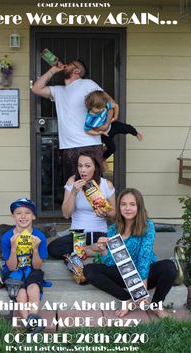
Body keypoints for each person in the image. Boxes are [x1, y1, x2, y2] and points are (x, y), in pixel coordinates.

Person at [83, 188, 177, 318]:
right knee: (89, 270)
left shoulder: (147, 226)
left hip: (145, 273)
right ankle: (127, 300)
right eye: (123, 204)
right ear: (119, 207)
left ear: (139, 206)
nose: (128, 208)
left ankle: (156, 306)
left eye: (132, 204)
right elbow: (111, 262)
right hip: (124, 274)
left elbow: (144, 256)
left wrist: (141, 290)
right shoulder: (113, 229)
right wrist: (104, 250)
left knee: (169, 267)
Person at [32, 58, 116, 182]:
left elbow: (111, 103)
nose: (65, 65)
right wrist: (53, 70)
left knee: (93, 189)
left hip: (89, 145)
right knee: (73, 186)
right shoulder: (58, 91)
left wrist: (106, 124)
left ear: (77, 70)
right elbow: (36, 89)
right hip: (69, 147)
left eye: (70, 64)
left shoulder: (87, 84)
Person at [47, 150, 116, 259]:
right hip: (78, 233)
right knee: (53, 248)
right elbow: (66, 214)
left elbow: (115, 214)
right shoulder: (72, 181)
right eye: (80, 166)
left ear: (95, 167)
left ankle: (82, 250)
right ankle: (91, 251)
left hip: (100, 232)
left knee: (119, 247)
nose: (83, 170)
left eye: (87, 166)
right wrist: (74, 192)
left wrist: (105, 212)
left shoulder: (106, 184)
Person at [1, 198, 48, 333]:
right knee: (20, 292)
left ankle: (31, 323)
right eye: (18, 213)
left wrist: (35, 249)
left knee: (33, 288)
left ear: (33, 216)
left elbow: (38, 266)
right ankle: (32, 324)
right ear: (13, 216)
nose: (23, 216)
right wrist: (14, 248)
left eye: (27, 213)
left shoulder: (39, 236)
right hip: (14, 271)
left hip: (32, 269)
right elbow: (10, 267)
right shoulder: (7, 237)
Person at [84, 90, 143, 169]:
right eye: (98, 109)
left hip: (112, 126)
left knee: (127, 128)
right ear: (91, 106)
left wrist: (115, 117)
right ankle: (103, 159)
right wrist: (98, 133)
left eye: (102, 108)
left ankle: (136, 133)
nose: (101, 110)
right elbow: (87, 130)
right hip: (105, 134)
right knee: (112, 148)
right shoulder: (89, 119)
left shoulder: (104, 106)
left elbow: (115, 106)